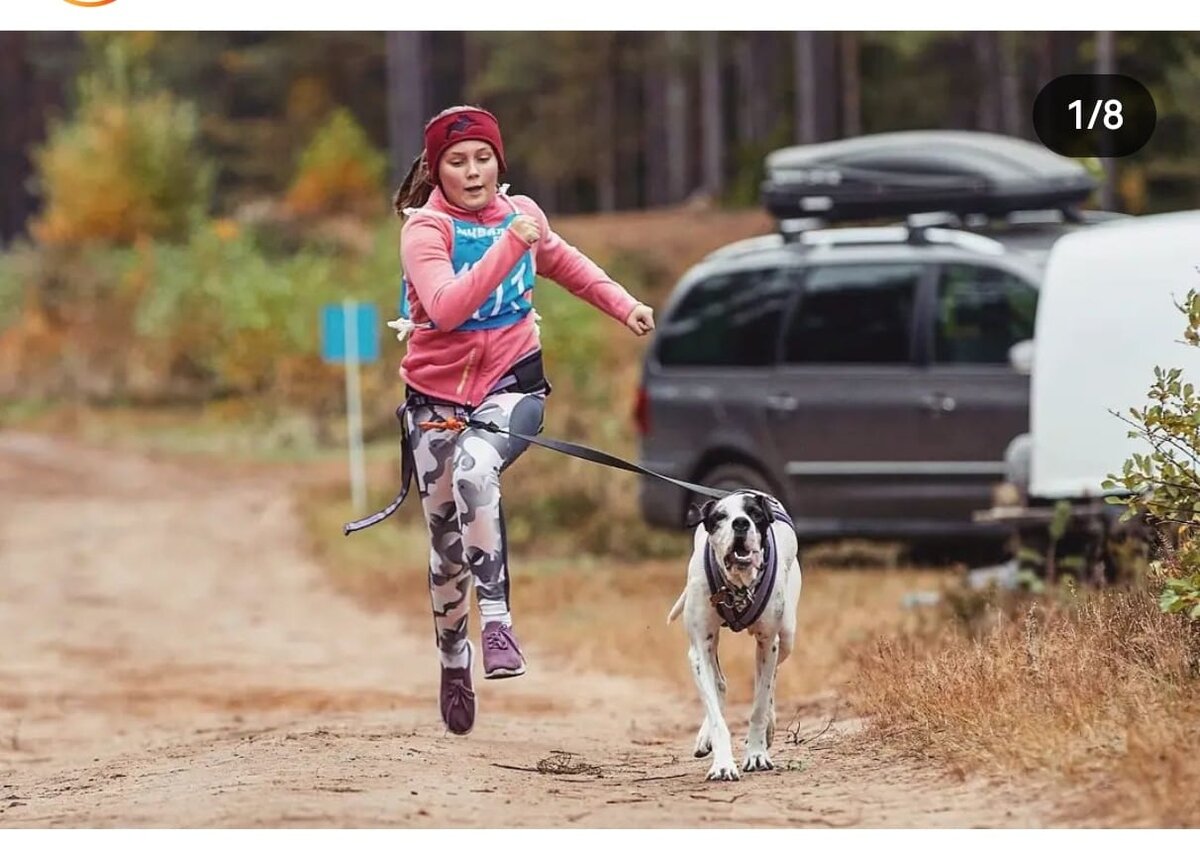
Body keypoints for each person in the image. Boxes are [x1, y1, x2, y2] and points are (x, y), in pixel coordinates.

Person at [387, 105, 655, 736]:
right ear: (436, 169)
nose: (473, 171)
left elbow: (568, 265)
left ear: (499, 161)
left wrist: (626, 305)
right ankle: (455, 658)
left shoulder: (523, 214)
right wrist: (511, 243)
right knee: (446, 549)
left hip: (512, 384)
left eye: (483, 158)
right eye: (457, 162)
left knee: (478, 467)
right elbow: (448, 309)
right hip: (435, 401)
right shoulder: (426, 232)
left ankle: (499, 624)